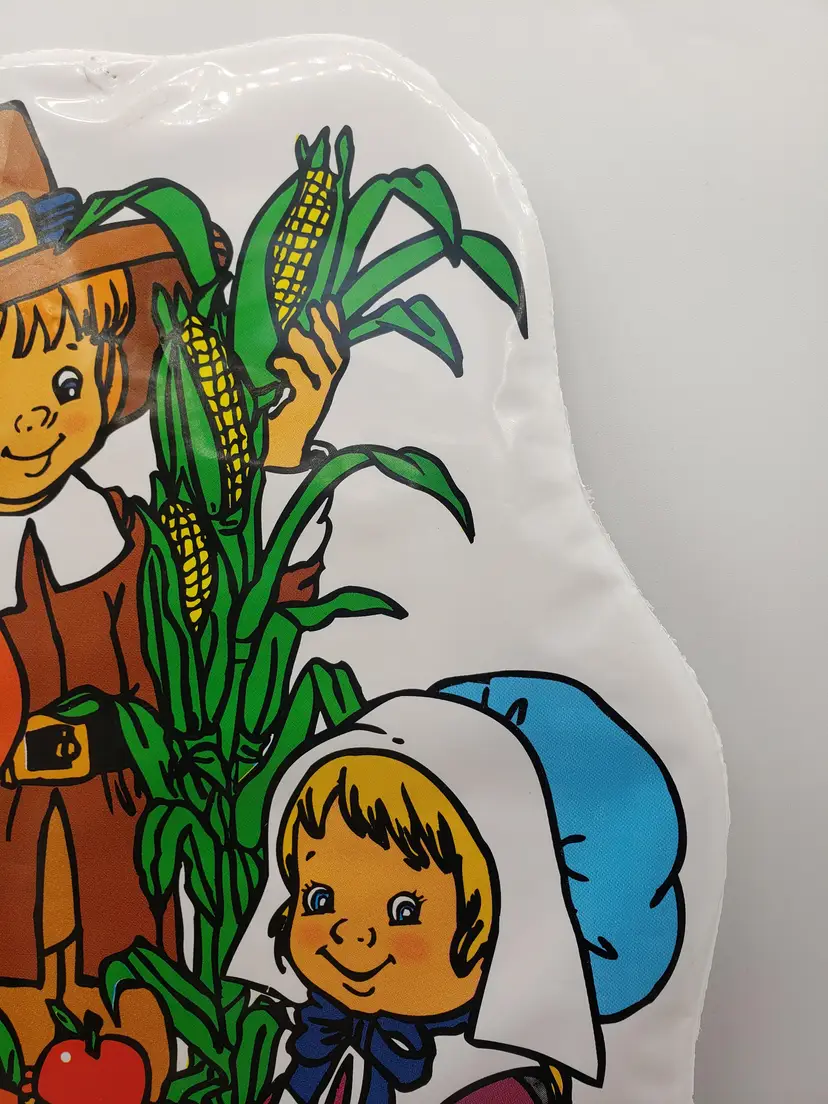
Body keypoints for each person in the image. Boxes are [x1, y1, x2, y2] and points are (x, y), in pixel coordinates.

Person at [0, 101, 346, 1097]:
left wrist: (281, 461)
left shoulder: (133, 541)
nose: (34, 417)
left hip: (131, 915)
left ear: (113, 382)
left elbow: (242, 620)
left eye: (67, 382)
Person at [230, 692, 604, 1104]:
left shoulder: (498, 1082)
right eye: (320, 899)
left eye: (403, 910)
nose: (350, 931)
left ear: (487, 927)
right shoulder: (321, 1052)